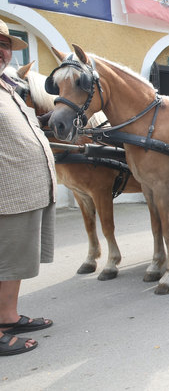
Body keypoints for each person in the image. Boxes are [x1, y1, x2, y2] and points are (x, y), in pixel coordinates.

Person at [0, 20, 56, 356]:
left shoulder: (7, 86)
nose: (2, 51)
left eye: (4, 44)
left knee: (14, 262)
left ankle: (7, 316)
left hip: (23, 193)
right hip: (5, 194)